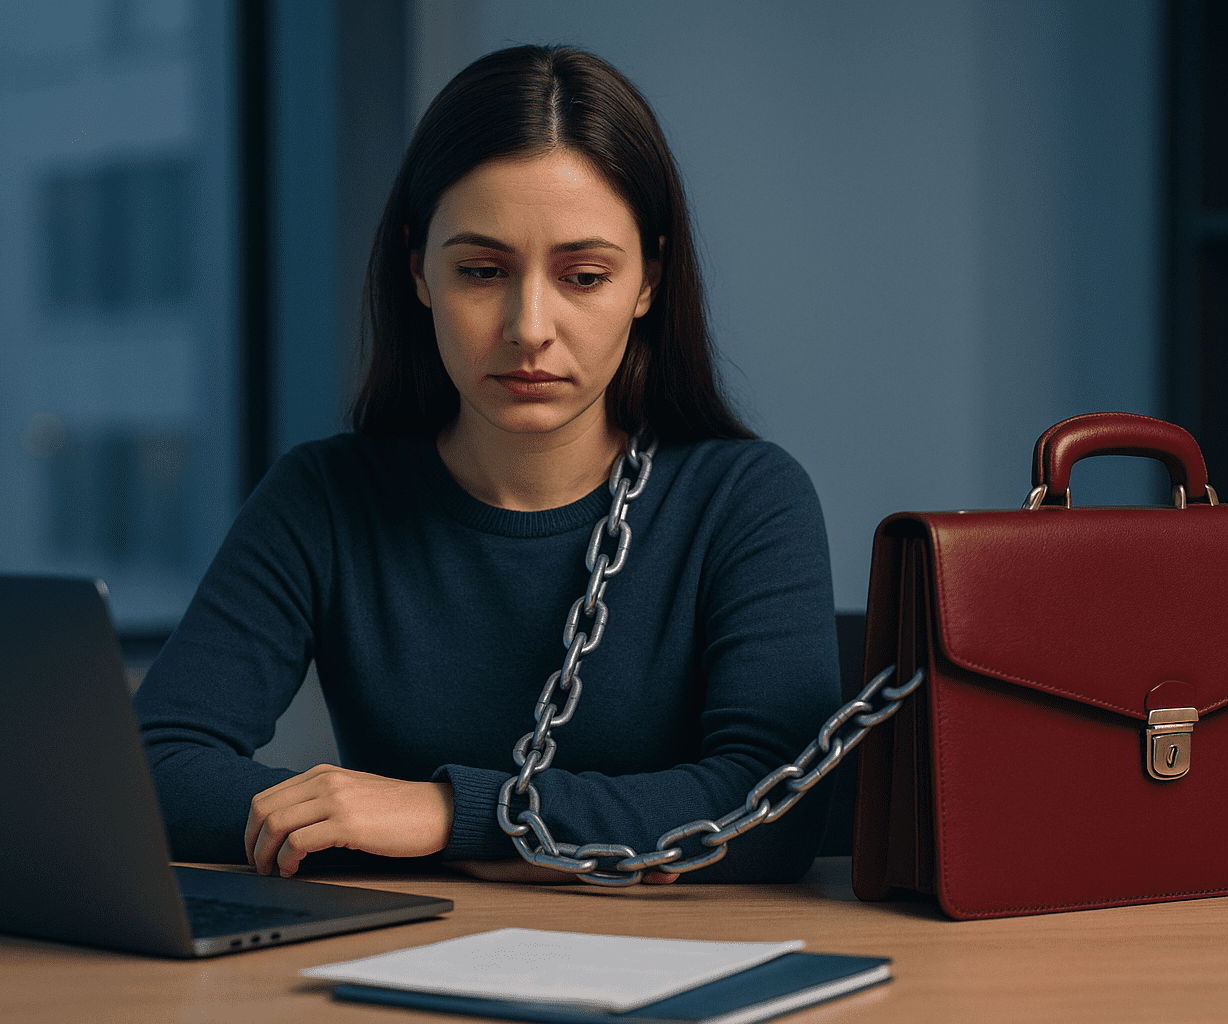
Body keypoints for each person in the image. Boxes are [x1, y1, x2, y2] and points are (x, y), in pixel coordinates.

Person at [133, 45, 841, 885]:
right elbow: (154, 770)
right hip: (406, 946)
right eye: (480, 271)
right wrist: (349, 821)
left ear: (649, 281)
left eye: (584, 276)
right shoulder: (325, 498)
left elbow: (777, 808)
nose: (529, 327)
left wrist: (447, 815)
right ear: (418, 271)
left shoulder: (746, 501)